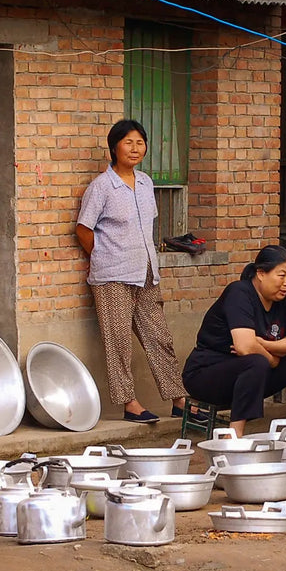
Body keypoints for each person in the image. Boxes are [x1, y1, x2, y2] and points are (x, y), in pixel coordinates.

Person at [76, 119, 192, 423]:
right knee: (119, 342)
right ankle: (129, 403)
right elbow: (83, 229)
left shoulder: (145, 182)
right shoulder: (101, 186)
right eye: (128, 142)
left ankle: (179, 398)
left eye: (140, 142)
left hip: (145, 273)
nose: (135, 148)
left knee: (160, 337)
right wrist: (102, 255)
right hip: (112, 276)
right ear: (114, 147)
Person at [182, 245, 286, 437]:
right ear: (261, 273)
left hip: (253, 374)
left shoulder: (284, 299)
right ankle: (234, 435)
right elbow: (245, 346)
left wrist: (263, 344)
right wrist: (272, 358)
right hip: (206, 374)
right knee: (257, 362)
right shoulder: (239, 293)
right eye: (281, 276)